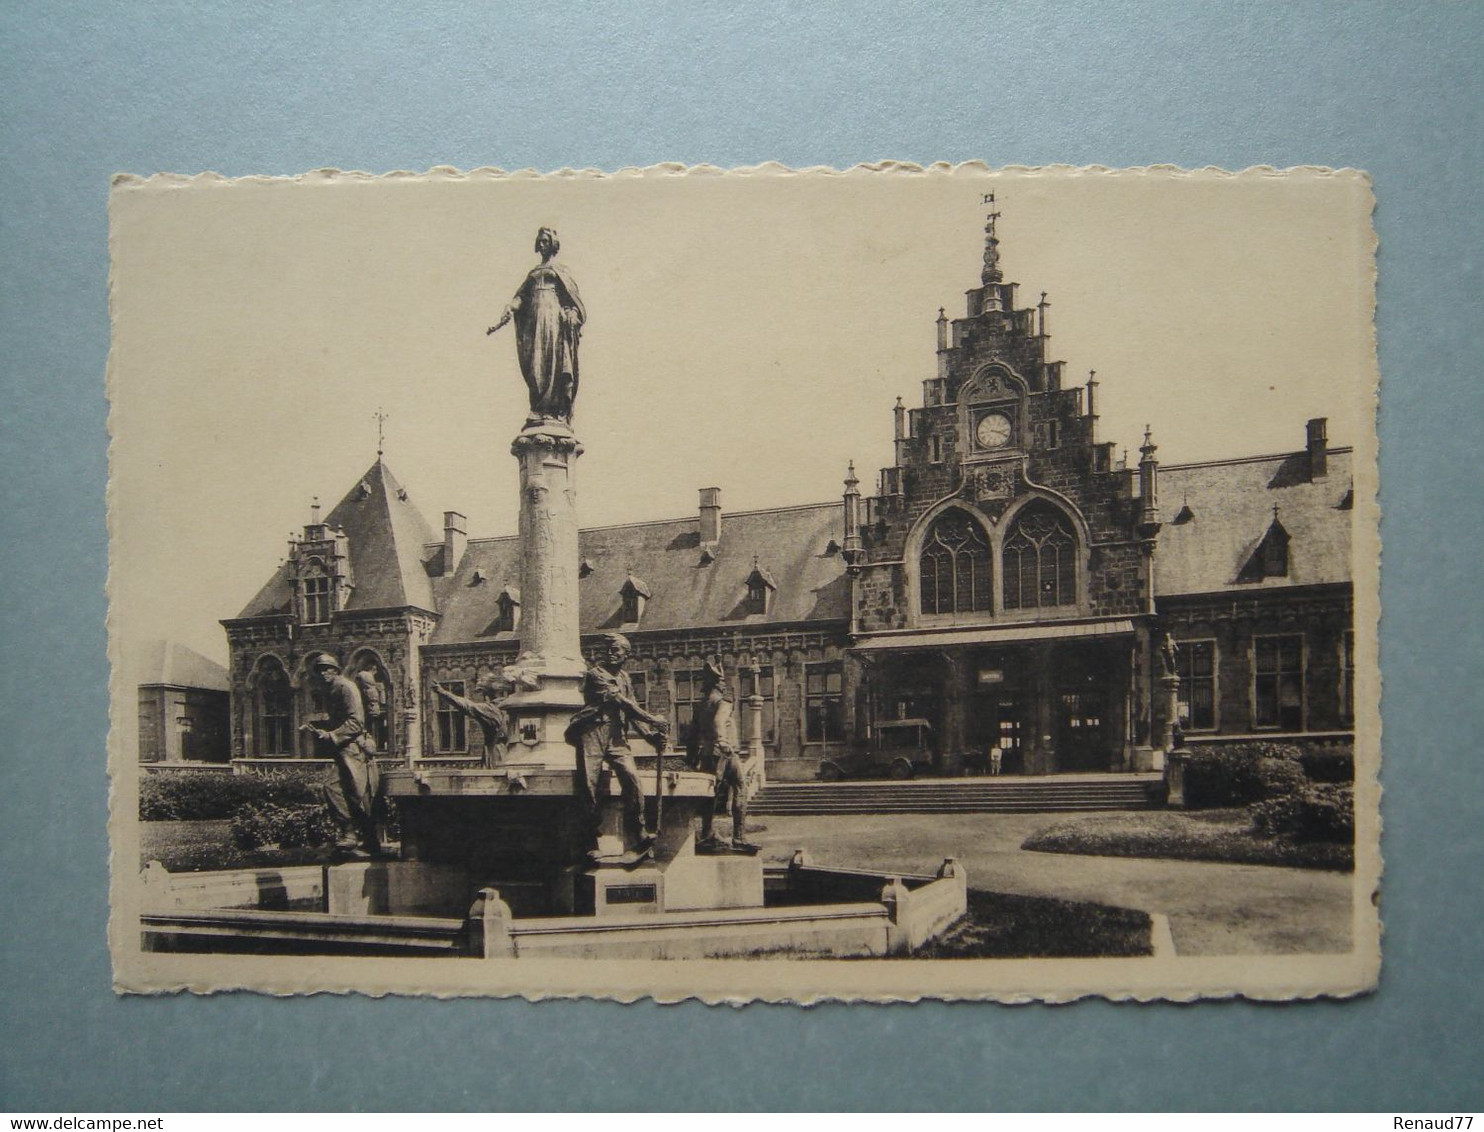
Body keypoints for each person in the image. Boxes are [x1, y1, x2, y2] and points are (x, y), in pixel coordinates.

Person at [564, 633, 669, 855]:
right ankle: (591, 840)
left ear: (626, 654)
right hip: (592, 733)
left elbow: (629, 714)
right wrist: (653, 719)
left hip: (616, 737)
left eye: (616, 650)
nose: (610, 654)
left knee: (632, 779)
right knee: (589, 786)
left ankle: (638, 831)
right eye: (608, 650)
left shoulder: (625, 678)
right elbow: (621, 702)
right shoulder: (595, 675)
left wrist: (649, 736)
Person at [487, 227, 586, 424]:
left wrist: (572, 314)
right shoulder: (533, 273)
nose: (541, 245)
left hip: (554, 320)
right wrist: (510, 307)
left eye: (545, 242)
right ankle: (539, 407)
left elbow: (572, 302)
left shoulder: (561, 271)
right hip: (534, 321)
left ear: (553, 244)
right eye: (539, 241)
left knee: (554, 361)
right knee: (536, 362)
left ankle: (555, 408)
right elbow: (521, 297)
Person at [301, 652, 381, 859]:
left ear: (335, 671)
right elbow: (339, 721)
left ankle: (354, 836)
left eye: (327, 669)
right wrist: (320, 729)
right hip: (344, 749)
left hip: (354, 749)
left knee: (349, 792)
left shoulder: (345, 688)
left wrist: (332, 734)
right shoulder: (330, 690)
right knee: (352, 794)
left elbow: (356, 722)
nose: (323, 673)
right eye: (319, 670)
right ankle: (360, 838)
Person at [686, 658, 757, 852]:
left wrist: (690, 757)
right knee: (740, 786)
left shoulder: (700, 705)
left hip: (708, 752)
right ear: (719, 683)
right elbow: (719, 721)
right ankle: (739, 838)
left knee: (711, 793)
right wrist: (723, 741)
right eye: (723, 681)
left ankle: (706, 834)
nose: (724, 684)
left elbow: (692, 735)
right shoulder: (724, 701)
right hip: (725, 751)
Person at [430, 674, 512, 768]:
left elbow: (467, 706)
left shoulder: (491, 710)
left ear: (487, 695)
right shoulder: (510, 706)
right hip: (510, 753)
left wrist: (442, 692)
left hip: (496, 753)